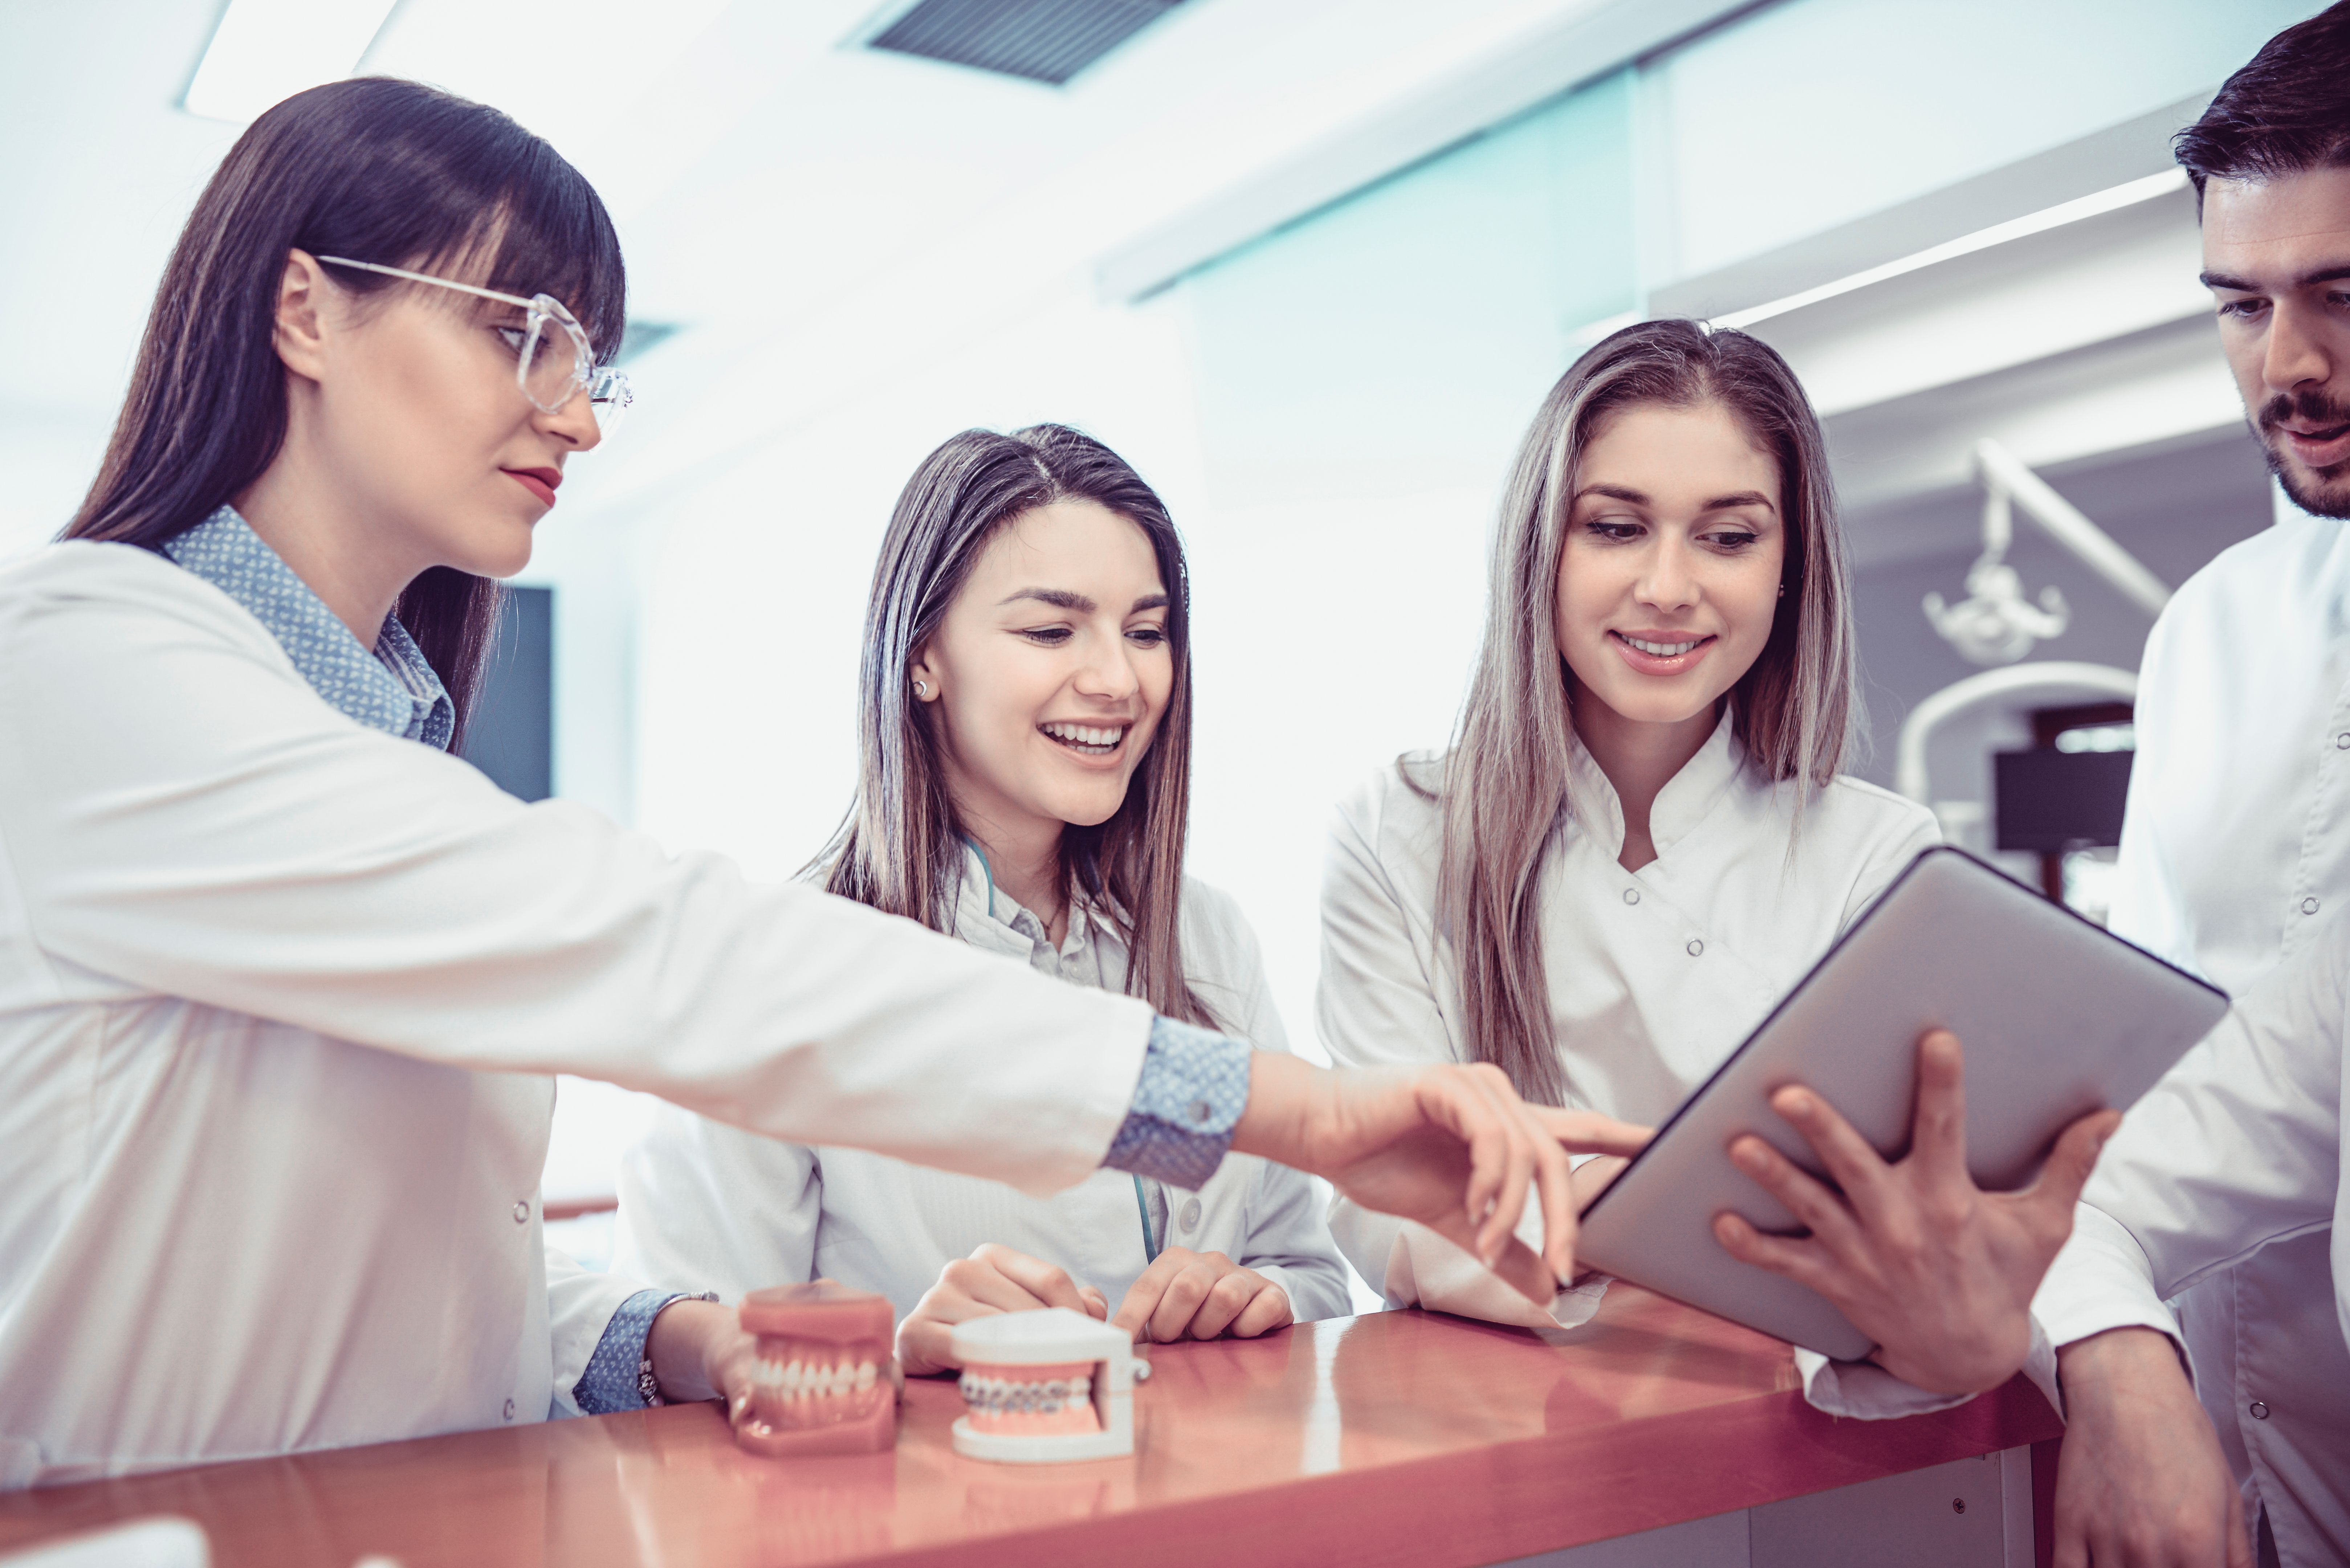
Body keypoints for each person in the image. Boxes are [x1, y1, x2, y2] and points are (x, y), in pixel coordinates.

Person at [0, 78, 1632, 1489]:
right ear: (303, 312)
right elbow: (657, 949)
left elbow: (383, 1264)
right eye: (521, 334)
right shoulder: (87, 670)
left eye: (590, 363)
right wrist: (1314, 1111)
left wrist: (673, 1338)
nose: (573, 411)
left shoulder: (370, 732)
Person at [1716, 11, 2350, 1563]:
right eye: (2239, 305)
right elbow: (2130, 1074)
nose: (2288, 365)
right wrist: (2103, 1339)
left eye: (2342, 295)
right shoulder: (2208, 631)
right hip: (2220, 1466)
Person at [614, 428, 1353, 1372]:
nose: (1118, 680)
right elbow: (688, 1358)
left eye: (1145, 631)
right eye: (1050, 631)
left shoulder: (1205, 938)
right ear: (922, 657)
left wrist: (1258, 1296)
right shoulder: (768, 971)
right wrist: (896, 1352)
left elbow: (1311, 1273)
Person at [1316, 318, 1939, 1328]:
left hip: (1793, 1426)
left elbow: (1900, 1216)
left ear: (1790, 569)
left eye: (1728, 538)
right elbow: (1394, 1205)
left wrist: (1576, 1207)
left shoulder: (1879, 859)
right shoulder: (1399, 831)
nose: (1665, 589)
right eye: (1613, 527)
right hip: (1499, 1424)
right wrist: (1693, 1214)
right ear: (1540, 550)